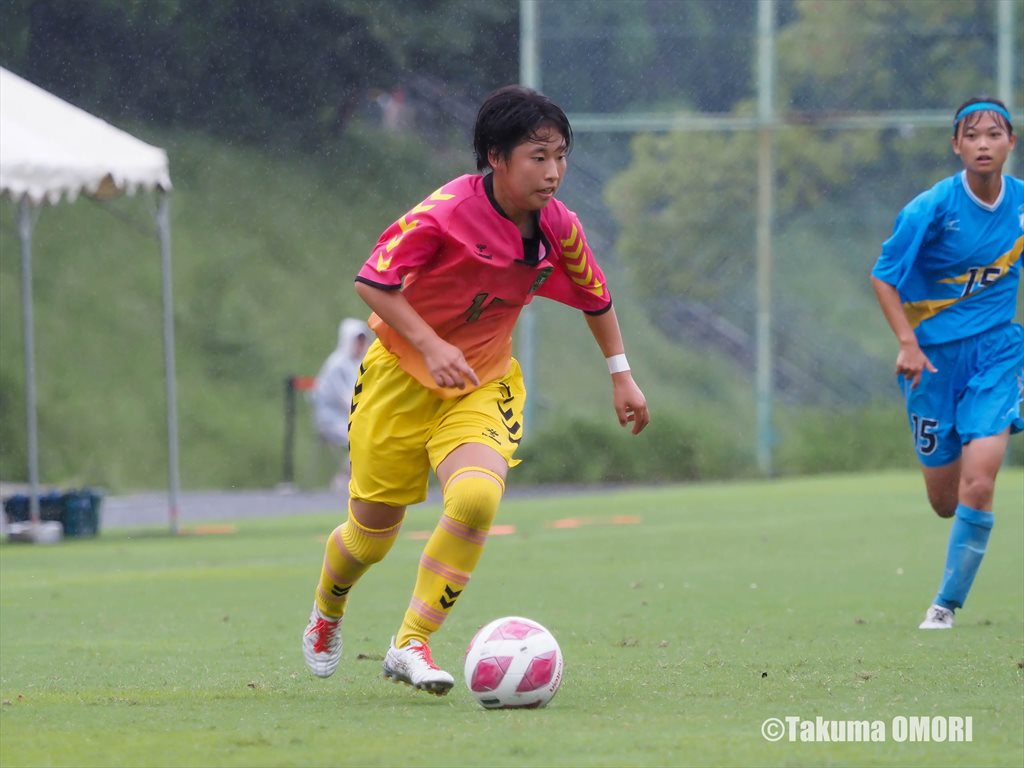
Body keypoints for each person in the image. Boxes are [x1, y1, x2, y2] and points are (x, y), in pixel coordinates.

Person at [301, 84, 650, 694]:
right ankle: (327, 612)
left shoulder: (558, 226)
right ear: (496, 157)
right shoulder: (444, 213)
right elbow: (374, 281)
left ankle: (411, 641)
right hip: (397, 380)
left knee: (475, 498)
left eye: (560, 156)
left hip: (480, 382)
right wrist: (431, 345)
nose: (553, 172)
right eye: (538, 157)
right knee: (370, 536)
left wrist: (621, 374)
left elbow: (596, 295)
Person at [870, 96, 1022, 630]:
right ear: (956, 145)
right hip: (931, 363)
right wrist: (907, 343)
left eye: (994, 135)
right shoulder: (930, 208)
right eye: (972, 136)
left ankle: (944, 605)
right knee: (945, 501)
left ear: (1011, 142)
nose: (983, 144)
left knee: (980, 482)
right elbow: (883, 277)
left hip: (997, 352)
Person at [309, 318, 371, 487]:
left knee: (370, 435)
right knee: (363, 437)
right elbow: (345, 399)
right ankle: (345, 477)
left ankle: (350, 477)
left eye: (363, 340)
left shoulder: (359, 364)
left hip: (351, 418)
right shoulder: (336, 365)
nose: (361, 345)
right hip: (331, 420)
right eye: (358, 340)